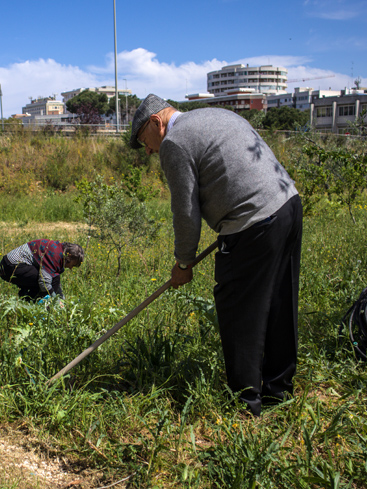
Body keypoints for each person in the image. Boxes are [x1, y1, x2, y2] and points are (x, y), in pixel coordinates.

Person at [129, 94, 303, 416]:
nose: (150, 151)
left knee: (238, 310)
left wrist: (184, 262)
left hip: (252, 223)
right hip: (288, 206)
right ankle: (280, 393)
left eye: (145, 142)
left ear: (156, 122)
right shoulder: (214, 115)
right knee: (281, 303)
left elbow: (185, 211)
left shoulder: (175, 143)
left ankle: (245, 407)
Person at [0, 239, 84, 302]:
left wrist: (62, 299)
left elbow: (55, 280)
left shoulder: (59, 251)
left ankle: (28, 301)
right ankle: (29, 302)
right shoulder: (55, 256)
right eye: (72, 265)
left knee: (53, 278)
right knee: (40, 282)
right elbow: (44, 282)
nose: (71, 268)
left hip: (15, 264)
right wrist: (56, 301)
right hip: (10, 266)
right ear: (69, 258)